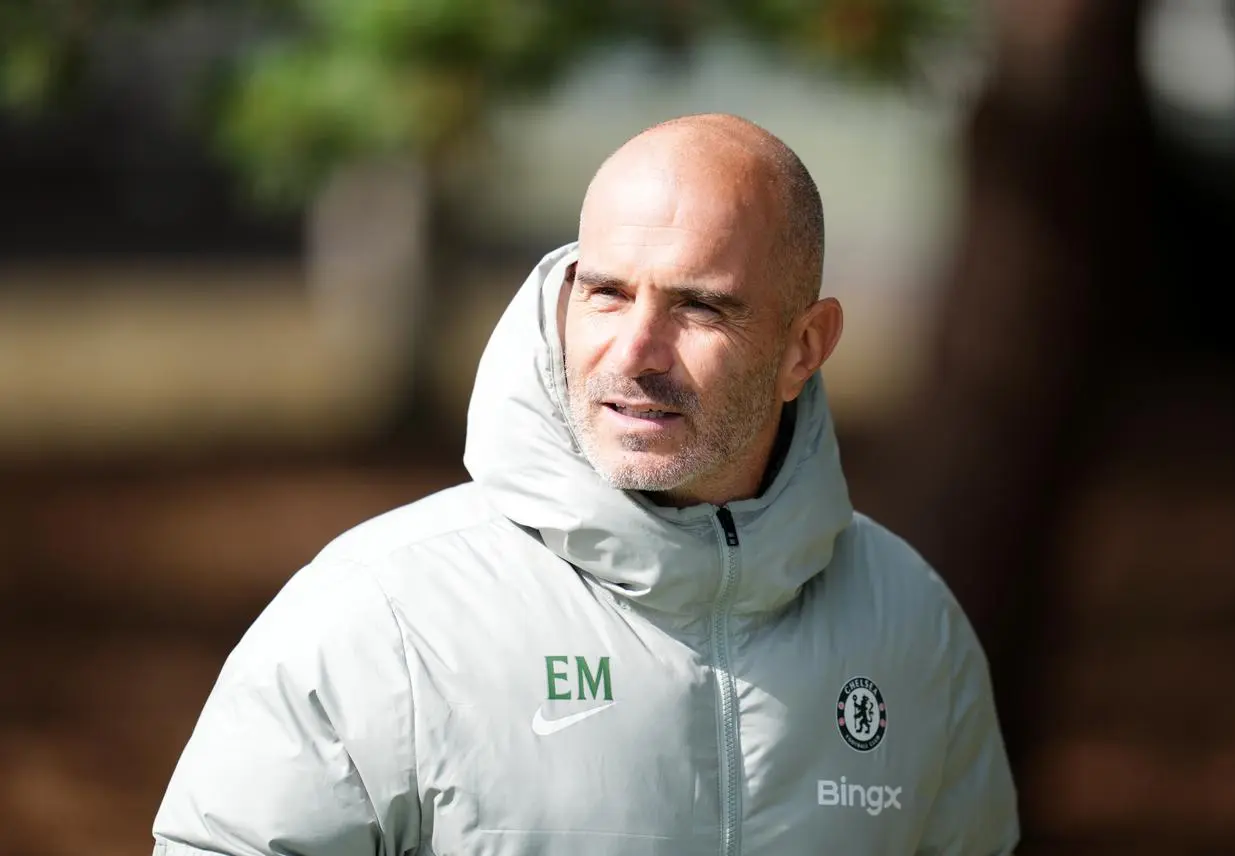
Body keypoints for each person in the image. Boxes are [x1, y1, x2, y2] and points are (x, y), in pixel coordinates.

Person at [152, 113, 1018, 856]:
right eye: (605, 294)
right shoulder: (382, 614)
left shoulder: (910, 623)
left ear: (804, 348)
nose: (635, 352)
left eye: (700, 307)